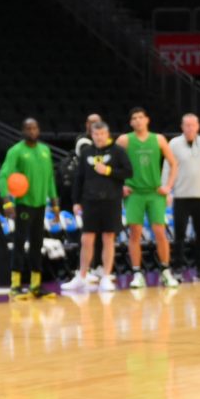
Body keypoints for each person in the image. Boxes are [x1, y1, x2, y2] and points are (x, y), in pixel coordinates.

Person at [121, 108, 179, 289]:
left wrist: (168, 186)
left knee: (160, 232)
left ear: (147, 120)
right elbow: (111, 162)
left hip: (155, 192)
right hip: (134, 193)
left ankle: (165, 271)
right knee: (135, 234)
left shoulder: (159, 139)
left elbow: (173, 163)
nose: (138, 121)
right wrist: (120, 184)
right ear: (131, 123)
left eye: (140, 117)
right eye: (134, 118)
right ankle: (137, 273)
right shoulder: (124, 140)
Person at [0, 120, 57, 299]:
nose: (32, 131)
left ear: (38, 130)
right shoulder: (16, 151)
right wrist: (7, 202)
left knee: (37, 244)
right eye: (28, 128)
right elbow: (3, 176)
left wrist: (55, 204)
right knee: (19, 242)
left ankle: (35, 286)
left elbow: (50, 179)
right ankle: (15, 285)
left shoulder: (45, 150)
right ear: (23, 130)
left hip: (41, 205)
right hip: (23, 204)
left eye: (35, 128)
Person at [75, 118, 127, 291]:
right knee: (86, 238)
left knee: (108, 238)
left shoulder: (118, 151)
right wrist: (76, 201)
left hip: (111, 201)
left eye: (102, 134)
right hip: (90, 201)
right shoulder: (86, 152)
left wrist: (109, 170)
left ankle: (105, 275)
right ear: (91, 134)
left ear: (107, 134)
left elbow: (128, 172)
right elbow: (79, 178)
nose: (99, 137)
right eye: (95, 134)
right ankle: (82, 275)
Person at [169, 113, 200, 282]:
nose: (190, 128)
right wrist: (167, 190)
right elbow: (167, 168)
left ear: (198, 126)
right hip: (181, 197)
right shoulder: (174, 144)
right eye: (187, 125)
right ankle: (177, 269)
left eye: (193, 125)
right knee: (179, 236)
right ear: (182, 127)